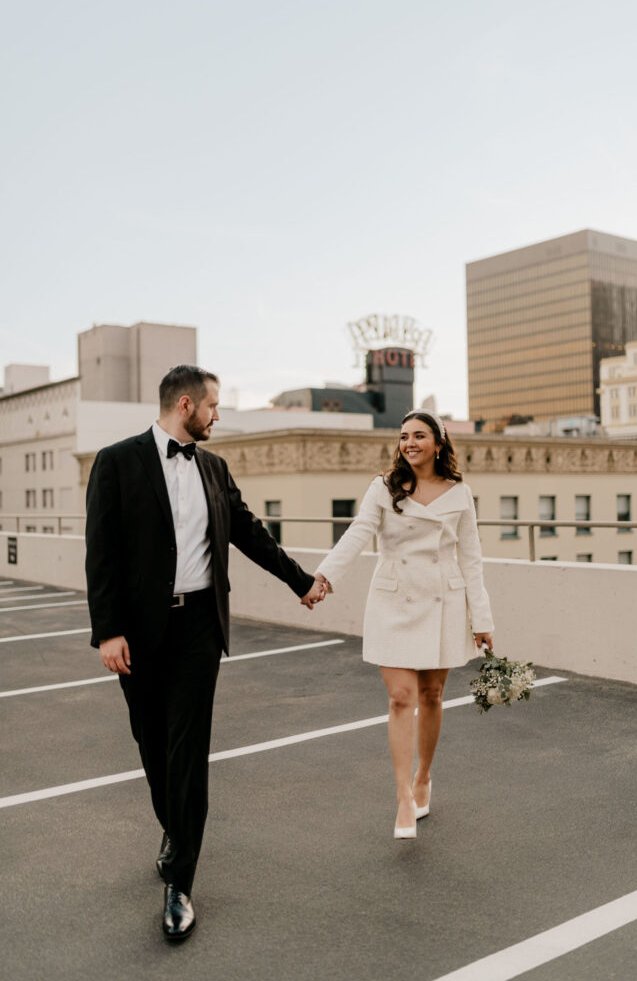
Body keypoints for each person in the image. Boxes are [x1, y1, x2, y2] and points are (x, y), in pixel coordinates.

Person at [85, 365, 326, 940]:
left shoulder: (214, 468)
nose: (219, 416)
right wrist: (108, 630)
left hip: (198, 627)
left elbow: (248, 532)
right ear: (186, 405)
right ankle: (176, 832)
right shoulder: (117, 461)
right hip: (139, 632)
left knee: (188, 749)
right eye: (214, 406)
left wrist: (300, 581)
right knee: (154, 745)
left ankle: (180, 881)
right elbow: (103, 552)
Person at [316, 409, 493, 839]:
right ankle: (402, 797)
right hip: (394, 600)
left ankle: (423, 778)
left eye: (419, 435)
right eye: (403, 436)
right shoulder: (384, 487)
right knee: (400, 698)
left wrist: (482, 618)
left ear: (438, 442)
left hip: (445, 603)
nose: (409, 443)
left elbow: (471, 559)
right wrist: (324, 576)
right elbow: (359, 532)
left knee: (431, 696)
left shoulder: (459, 493)